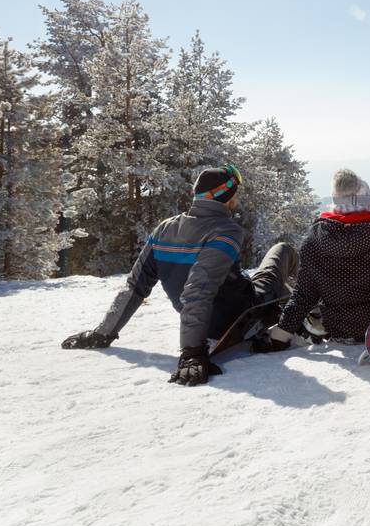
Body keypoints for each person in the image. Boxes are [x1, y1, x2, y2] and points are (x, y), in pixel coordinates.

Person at [61, 164, 298, 386]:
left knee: (251, 276)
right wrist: (192, 352)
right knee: (283, 250)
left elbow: (136, 286)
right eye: (235, 193)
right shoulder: (226, 230)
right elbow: (198, 289)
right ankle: (311, 306)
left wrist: (103, 333)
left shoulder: (164, 229)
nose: (237, 199)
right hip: (242, 313)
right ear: (224, 196)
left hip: (205, 321)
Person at [259, 169, 370, 350]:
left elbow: (304, 294)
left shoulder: (314, 240)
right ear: (366, 203)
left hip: (337, 328)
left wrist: (282, 332)